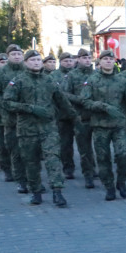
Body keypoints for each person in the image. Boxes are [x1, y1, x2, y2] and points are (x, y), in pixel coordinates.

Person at [2, 49, 74, 207]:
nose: (36, 63)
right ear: (26, 62)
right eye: (32, 60)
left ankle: (57, 191)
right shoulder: (18, 81)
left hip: (48, 128)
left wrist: (75, 116)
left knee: (53, 158)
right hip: (27, 130)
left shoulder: (49, 80)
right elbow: (7, 103)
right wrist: (31, 108)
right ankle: (35, 192)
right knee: (31, 162)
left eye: (38, 60)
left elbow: (62, 101)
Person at [79, 50, 126, 201]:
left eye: (111, 59)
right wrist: (103, 107)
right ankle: (109, 186)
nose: (108, 61)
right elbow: (84, 101)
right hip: (100, 126)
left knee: (124, 154)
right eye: (105, 59)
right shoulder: (92, 80)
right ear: (100, 62)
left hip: (119, 125)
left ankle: (121, 182)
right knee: (103, 158)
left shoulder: (122, 81)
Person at [64, 49, 98, 189]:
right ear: (78, 59)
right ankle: (88, 175)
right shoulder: (72, 75)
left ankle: (97, 169)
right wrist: (80, 100)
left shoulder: (96, 75)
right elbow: (65, 93)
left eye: (89, 57)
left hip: (97, 115)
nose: (87, 60)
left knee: (100, 148)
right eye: (84, 57)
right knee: (84, 149)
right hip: (81, 116)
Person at [0, 45, 27, 191]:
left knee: (30, 151)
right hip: (9, 117)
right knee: (14, 149)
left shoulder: (28, 70)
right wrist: (5, 106)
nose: (17, 56)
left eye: (19, 54)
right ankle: (19, 179)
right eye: (13, 54)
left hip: (29, 118)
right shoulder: (1, 73)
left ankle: (33, 180)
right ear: (8, 56)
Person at [51, 51, 78, 180]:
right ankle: (68, 167)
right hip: (63, 116)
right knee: (65, 144)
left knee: (85, 144)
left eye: (71, 61)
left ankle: (89, 168)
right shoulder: (54, 76)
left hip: (79, 114)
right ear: (61, 62)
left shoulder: (77, 74)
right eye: (66, 61)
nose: (69, 63)